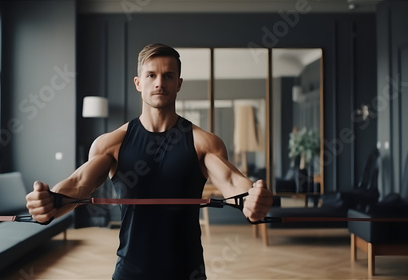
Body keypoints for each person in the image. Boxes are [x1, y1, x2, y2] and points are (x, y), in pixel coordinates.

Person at [26, 43, 273, 280]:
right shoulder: (111, 143)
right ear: (138, 83)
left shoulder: (204, 142)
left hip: (187, 273)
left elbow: (232, 182)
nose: (159, 83)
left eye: (168, 76)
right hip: (130, 273)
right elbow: (79, 183)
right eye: (151, 75)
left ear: (179, 83)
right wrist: (51, 200)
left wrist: (252, 198)